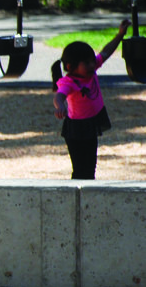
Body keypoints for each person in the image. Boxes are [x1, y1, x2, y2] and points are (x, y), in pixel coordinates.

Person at [52, 20, 129, 180]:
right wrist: (60, 106)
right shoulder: (69, 82)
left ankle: (88, 193)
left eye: (92, 61)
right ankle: (77, 194)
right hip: (76, 129)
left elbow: (106, 52)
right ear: (70, 66)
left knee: (90, 166)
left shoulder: (91, 71)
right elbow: (59, 95)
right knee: (80, 168)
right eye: (86, 63)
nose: (92, 64)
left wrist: (120, 35)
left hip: (91, 123)